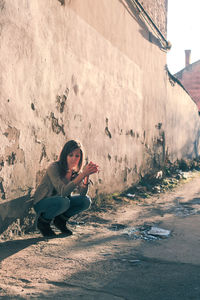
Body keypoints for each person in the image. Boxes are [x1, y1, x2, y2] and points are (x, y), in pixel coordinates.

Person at [33, 140, 99, 237]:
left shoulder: (75, 172)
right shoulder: (54, 167)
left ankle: (60, 221)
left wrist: (86, 176)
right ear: (65, 155)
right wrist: (83, 174)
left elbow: (82, 194)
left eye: (77, 156)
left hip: (61, 202)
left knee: (85, 201)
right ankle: (43, 222)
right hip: (42, 203)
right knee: (64, 201)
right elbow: (63, 192)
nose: (74, 158)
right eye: (70, 155)